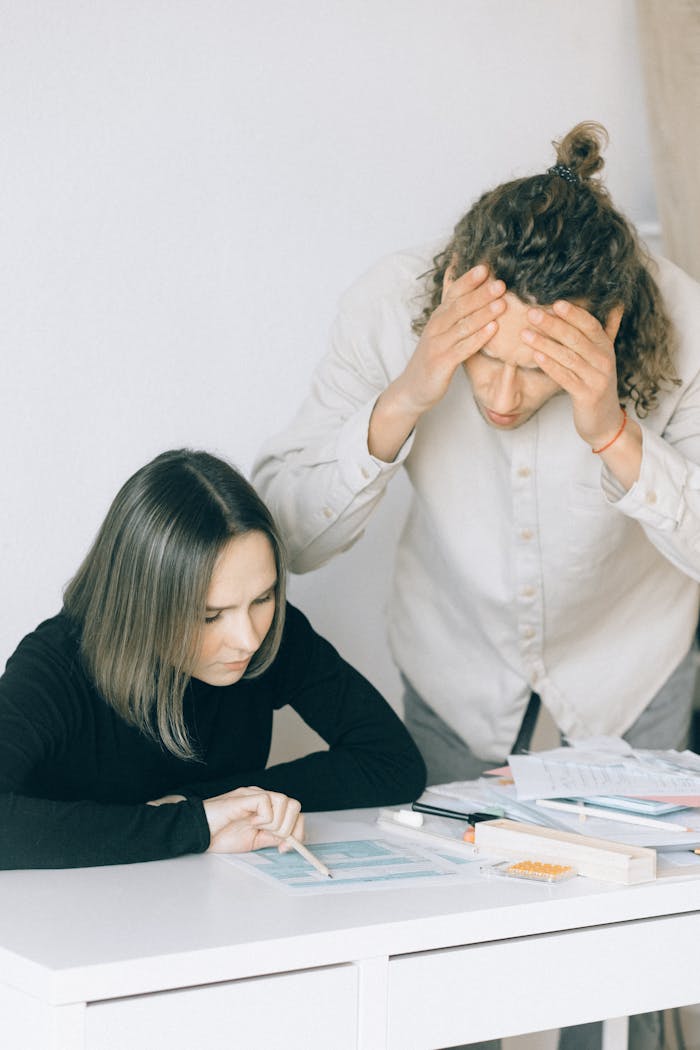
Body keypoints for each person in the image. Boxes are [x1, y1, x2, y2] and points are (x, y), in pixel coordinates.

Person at [253, 122, 700, 1050]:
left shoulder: (687, 328)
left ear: (611, 325)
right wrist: (408, 394)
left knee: (612, 972)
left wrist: (615, 433)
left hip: (632, 672)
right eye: (483, 362)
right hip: (453, 671)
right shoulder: (389, 309)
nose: (498, 397)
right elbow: (286, 537)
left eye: (534, 370)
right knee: (443, 962)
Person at [0, 449, 426, 870]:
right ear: (143, 602)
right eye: (210, 615)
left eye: (263, 598)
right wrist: (196, 823)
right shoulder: (56, 665)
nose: (248, 639)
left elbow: (393, 763)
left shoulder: (275, 633)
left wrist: (221, 804)